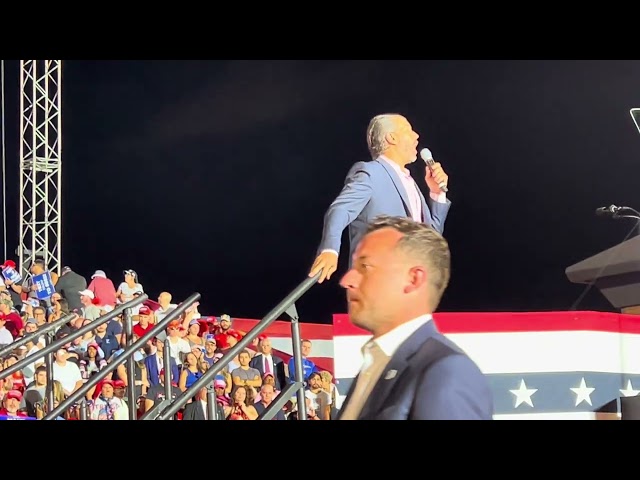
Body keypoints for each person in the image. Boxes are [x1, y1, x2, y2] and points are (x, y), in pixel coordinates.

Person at [337, 215, 493, 420]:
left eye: (365, 267)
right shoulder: (377, 362)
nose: (347, 280)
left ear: (414, 279)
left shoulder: (446, 372)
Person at [309, 113, 451, 283]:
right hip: (377, 284)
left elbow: (431, 237)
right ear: (392, 138)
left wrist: (437, 193)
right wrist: (330, 249)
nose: (416, 136)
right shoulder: (371, 173)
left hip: (410, 288)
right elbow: (340, 209)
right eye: (408, 130)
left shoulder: (412, 185)